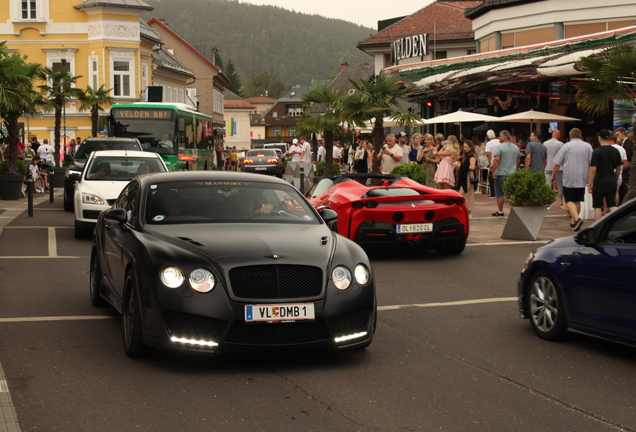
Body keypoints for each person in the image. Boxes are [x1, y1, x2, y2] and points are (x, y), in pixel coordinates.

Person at [552, 128, 592, 232]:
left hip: (569, 176)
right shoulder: (588, 146)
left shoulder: (566, 146)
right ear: (580, 135)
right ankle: (574, 222)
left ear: (570, 136)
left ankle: (577, 218)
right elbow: (592, 162)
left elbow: (557, 163)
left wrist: (553, 175)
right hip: (582, 177)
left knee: (569, 200)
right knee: (577, 200)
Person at [588, 129, 622, 221]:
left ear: (600, 138)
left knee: (598, 206)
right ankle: (619, 221)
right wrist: (615, 178)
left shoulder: (597, 152)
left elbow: (593, 169)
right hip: (611, 180)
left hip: (599, 181)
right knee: (612, 204)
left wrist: (590, 183)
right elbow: (618, 168)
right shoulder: (616, 151)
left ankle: (597, 227)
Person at [491, 130, 520, 216]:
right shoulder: (515, 147)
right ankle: (512, 211)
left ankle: (500, 211)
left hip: (501, 173)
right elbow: (518, 160)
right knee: (512, 193)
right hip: (512, 173)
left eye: (500, 136)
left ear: (504, 137)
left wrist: (493, 171)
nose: (499, 138)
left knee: (500, 193)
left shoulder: (499, 147)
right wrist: (516, 168)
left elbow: (496, 159)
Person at [544, 130, 564, 210]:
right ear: (558, 135)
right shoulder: (561, 144)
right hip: (559, 167)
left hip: (548, 166)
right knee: (560, 186)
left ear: (552, 134)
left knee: (548, 185)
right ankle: (563, 203)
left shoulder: (545, 143)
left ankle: (548, 204)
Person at [457, 140, 478, 217]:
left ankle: (468, 211)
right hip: (464, 176)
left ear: (470, 147)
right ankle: (466, 211)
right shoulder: (466, 156)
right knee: (464, 193)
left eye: (466, 147)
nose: (465, 149)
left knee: (466, 193)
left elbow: (472, 167)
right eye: (464, 147)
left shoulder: (472, 156)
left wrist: (462, 166)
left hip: (468, 176)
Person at [615, 127, 633, 204]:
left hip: (627, 170)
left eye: (618, 134)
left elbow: (627, 155)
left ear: (622, 133)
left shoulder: (628, 143)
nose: (617, 137)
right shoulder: (622, 144)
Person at [484, 129, 501, 198]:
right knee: (499, 177)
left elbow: (489, 154)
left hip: (493, 161)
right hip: (500, 161)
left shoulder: (488, 144)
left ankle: (493, 193)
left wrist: (489, 163)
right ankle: (499, 192)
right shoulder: (499, 142)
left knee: (491, 178)